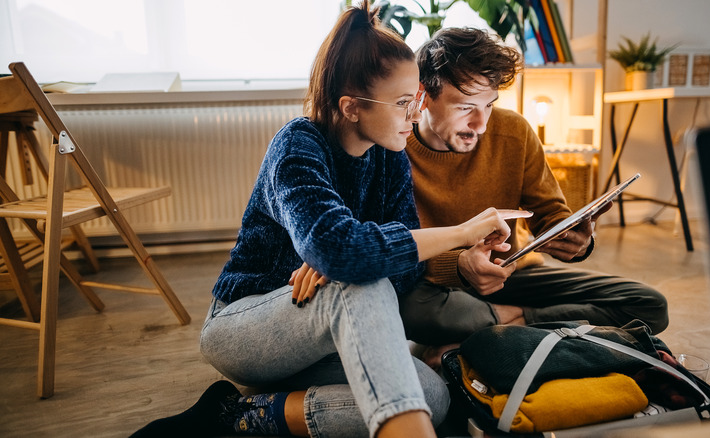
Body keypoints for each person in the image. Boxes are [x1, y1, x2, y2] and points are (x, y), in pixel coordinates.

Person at [131, 5, 527, 438]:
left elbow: (405, 272)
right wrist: (459, 233)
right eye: (401, 103)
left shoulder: (391, 159)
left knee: (433, 398)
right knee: (359, 279)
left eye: (414, 100)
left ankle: (245, 414)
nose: (414, 115)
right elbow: (344, 252)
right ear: (351, 107)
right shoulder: (298, 146)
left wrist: (347, 258)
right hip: (243, 326)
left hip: (326, 328)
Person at [400, 27, 670, 366]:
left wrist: (575, 238)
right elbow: (394, 249)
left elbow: (550, 212)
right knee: (407, 309)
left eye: (489, 105)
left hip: (511, 274)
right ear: (423, 96)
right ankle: (533, 329)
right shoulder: (394, 146)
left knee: (649, 304)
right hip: (435, 284)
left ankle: (511, 322)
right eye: (466, 106)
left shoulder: (513, 131)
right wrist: (458, 265)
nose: (481, 124)